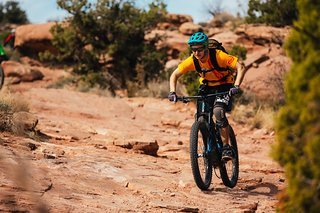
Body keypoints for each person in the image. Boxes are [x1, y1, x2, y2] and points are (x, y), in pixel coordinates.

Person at [168, 31, 246, 160]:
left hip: (225, 85)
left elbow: (240, 66)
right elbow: (174, 75)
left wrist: (236, 86)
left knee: (218, 111)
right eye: (193, 50)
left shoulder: (219, 56)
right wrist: (172, 92)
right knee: (201, 115)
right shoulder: (193, 60)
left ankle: (226, 147)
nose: (197, 53)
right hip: (207, 86)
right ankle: (210, 146)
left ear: (206, 47)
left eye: (200, 49)